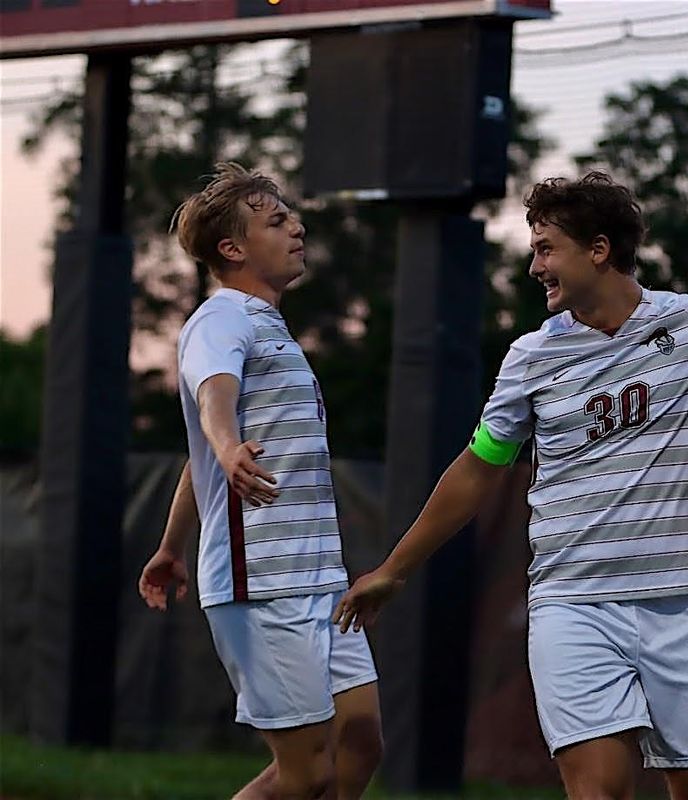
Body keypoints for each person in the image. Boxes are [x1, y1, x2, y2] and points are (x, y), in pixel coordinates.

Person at [331, 171, 688, 800]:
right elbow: (479, 466)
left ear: (599, 250)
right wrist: (395, 568)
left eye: (546, 248)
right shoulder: (531, 357)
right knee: (599, 792)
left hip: (680, 608)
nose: (535, 266)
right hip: (572, 607)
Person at [137, 163, 382, 800]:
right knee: (307, 773)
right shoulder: (221, 319)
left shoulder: (268, 326)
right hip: (264, 581)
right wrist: (224, 443)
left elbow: (204, 454)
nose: (296, 226)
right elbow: (213, 403)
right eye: (276, 220)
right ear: (233, 249)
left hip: (320, 577)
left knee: (361, 740)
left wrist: (169, 547)